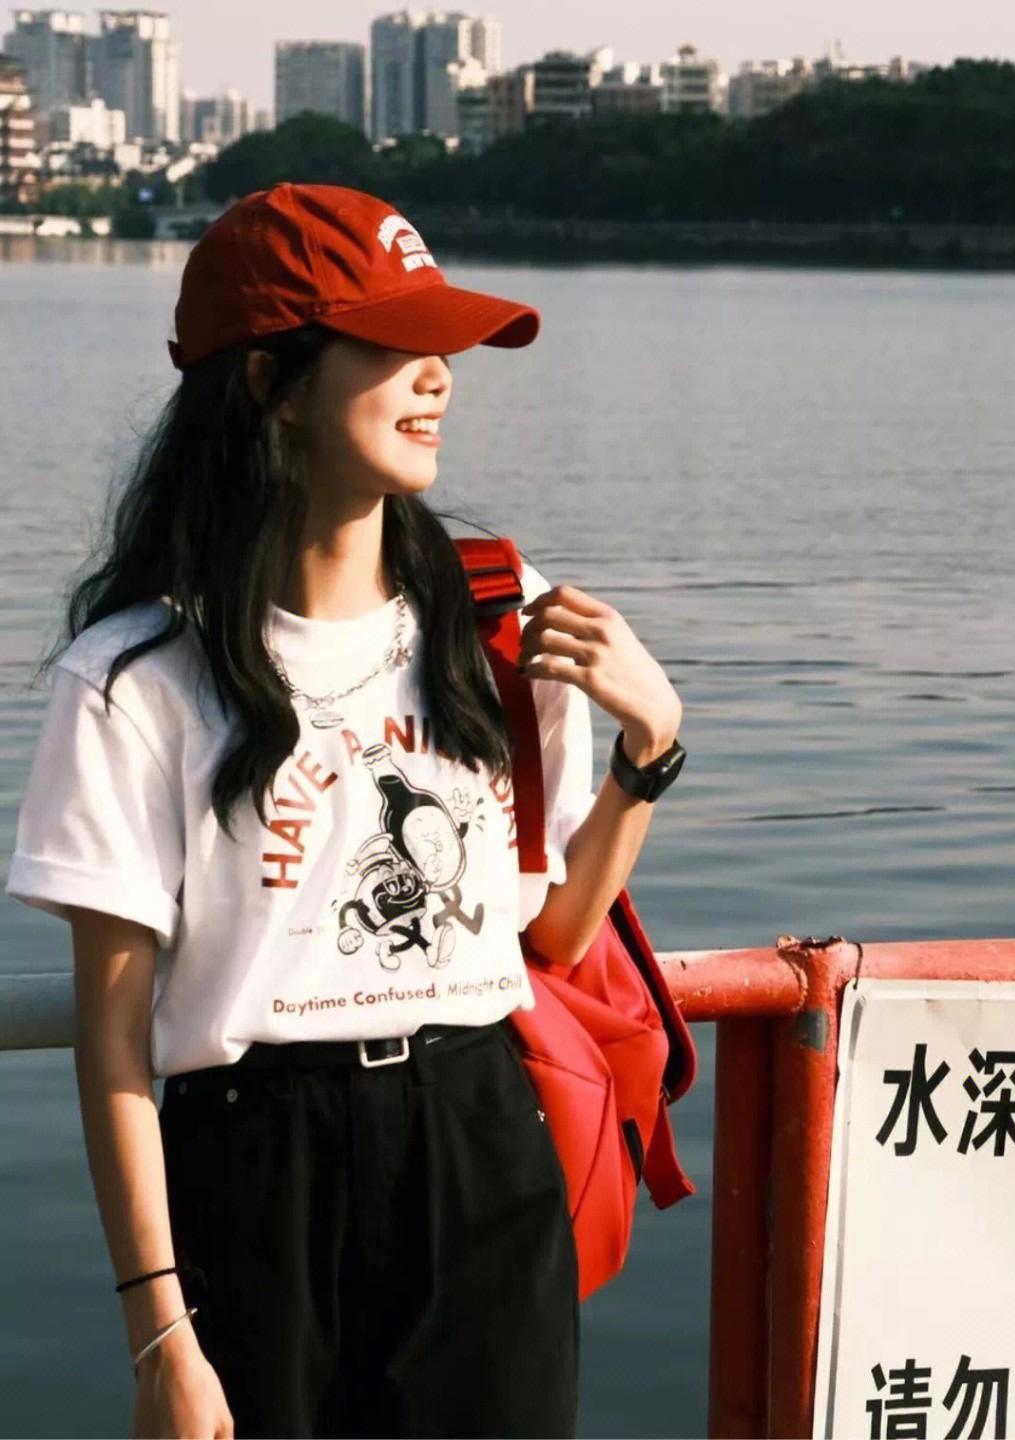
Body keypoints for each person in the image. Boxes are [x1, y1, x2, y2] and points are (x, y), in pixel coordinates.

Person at [4, 182, 685, 1440]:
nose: (439, 377)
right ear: (271, 383)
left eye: (445, 346)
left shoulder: (500, 620)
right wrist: (161, 1337)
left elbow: (552, 934)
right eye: (394, 342)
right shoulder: (137, 678)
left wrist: (651, 752)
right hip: (257, 1174)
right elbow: (113, 1042)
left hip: (481, 1148)